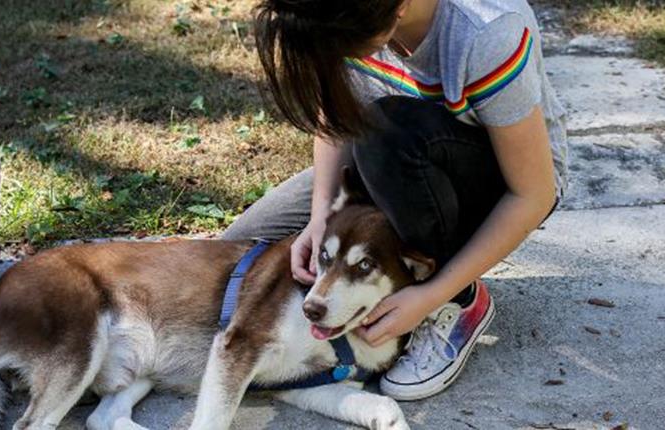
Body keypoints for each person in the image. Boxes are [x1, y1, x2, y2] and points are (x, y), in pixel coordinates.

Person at [223, 0, 568, 400]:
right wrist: (322, 215)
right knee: (234, 254)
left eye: (348, 48)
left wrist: (429, 296)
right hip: (383, 158)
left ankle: (460, 301)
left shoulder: (487, 33)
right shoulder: (336, 15)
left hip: (498, 179)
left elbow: (533, 193)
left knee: (388, 131)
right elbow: (333, 120)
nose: (341, 58)